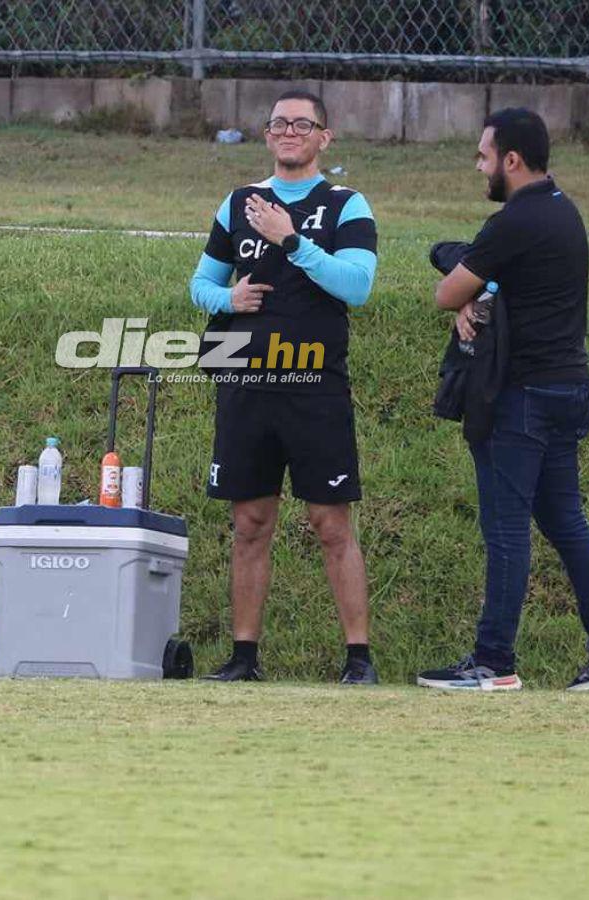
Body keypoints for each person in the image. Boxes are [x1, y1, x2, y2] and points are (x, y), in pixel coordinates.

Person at [417, 107, 589, 692]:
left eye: (484, 156)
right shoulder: (564, 212)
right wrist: (476, 283)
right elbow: (468, 262)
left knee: (507, 529)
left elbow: (447, 289)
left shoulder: (514, 222)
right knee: (568, 523)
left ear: (511, 160)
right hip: (569, 387)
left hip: (520, 399)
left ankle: (494, 662)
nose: (479, 166)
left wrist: (467, 290)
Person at [189, 90, 379, 683]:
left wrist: (291, 239)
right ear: (268, 135)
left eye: (303, 123)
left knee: (331, 522)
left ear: (325, 137)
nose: (290, 131)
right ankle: (244, 658)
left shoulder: (345, 203)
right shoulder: (239, 202)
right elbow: (200, 284)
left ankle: (358, 659)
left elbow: (357, 287)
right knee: (250, 521)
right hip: (245, 381)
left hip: (314, 385)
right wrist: (230, 299)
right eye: (279, 123)